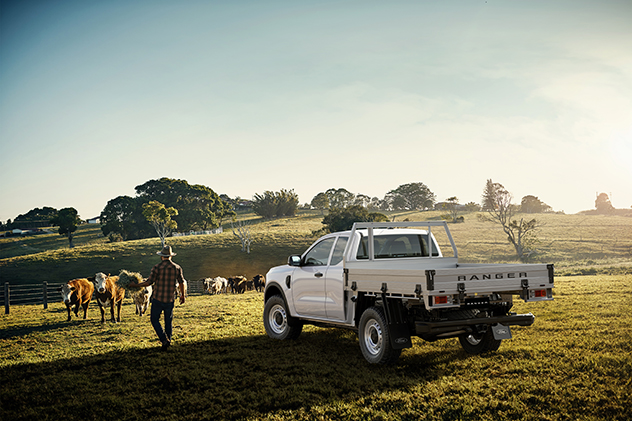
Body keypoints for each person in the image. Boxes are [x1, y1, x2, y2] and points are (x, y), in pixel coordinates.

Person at [129, 245, 186, 350]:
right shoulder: (177, 268)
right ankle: (168, 341)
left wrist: (135, 285)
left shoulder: (157, 267)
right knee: (168, 321)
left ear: (161, 256)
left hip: (158, 299)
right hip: (170, 299)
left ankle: (164, 340)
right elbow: (181, 282)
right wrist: (182, 295)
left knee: (154, 320)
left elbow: (149, 282)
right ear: (171, 256)